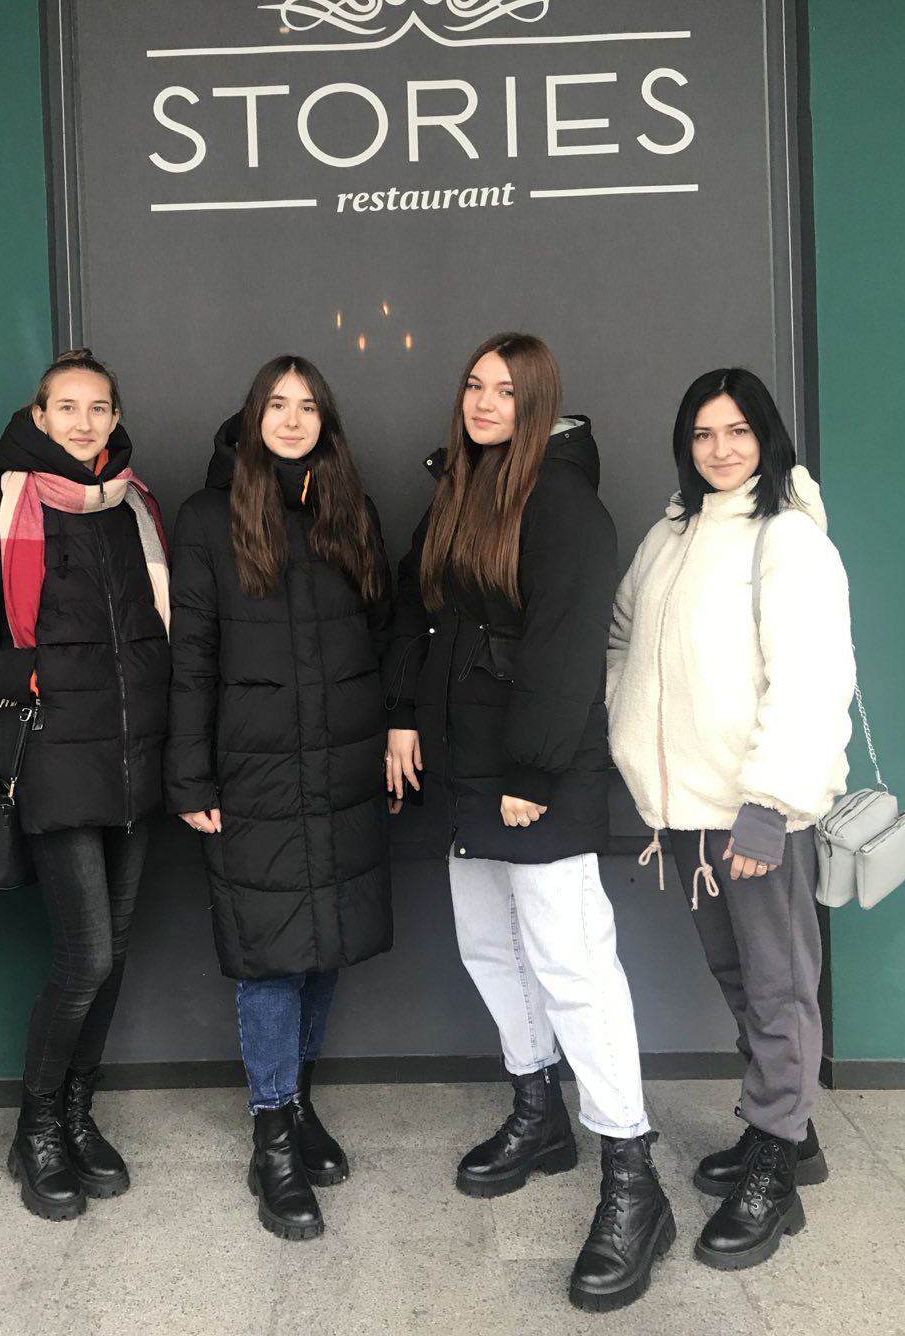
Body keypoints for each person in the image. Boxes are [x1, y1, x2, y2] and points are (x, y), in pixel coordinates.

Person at [384, 333, 672, 1313]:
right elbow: (419, 609)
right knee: (491, 949)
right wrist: (404, 713)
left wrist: (533, 770)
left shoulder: (564, 502)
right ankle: (539, 1109)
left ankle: (633, 1176)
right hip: (467, 768)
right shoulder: (460, 490)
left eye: (506, 391)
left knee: (573, 965)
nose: (484, 401)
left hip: (532, 771)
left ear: (539, 402)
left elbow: (565, 645)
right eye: (475, 385)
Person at [607, 367, 854, 1271]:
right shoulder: (671, 534)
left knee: (780, 985)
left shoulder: (788, 539)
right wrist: (630, 728)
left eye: (738, 431)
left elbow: (813, 681)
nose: (720, 449)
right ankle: (787, 1129)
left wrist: (769, 805)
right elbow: (624, 636)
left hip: (755, 813)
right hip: (686, 812)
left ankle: (776, 1169)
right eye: (704, 433)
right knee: (739, 978)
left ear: (766, 437)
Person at [0, 349, 170, 1222]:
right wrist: (31, 675)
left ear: (114, 417)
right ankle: (36, 1130)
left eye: (99, 408)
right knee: (84, 958)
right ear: (39, 416)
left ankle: (75, 1115)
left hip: (138, 766)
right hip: (57, 765)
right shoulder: (2, 514)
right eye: (67, 407)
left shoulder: (136, 509)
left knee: (116, 956)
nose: (84, 422)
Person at [165, 356, 395, 1242]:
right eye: (276, 404)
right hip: (251, 773)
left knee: (323, 942)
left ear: (326, 421)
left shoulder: (351, 511)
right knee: (270, 954)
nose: (292, 420)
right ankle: (270, 1136)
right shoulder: (205, 517)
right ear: (252, 415)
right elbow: (191, 656)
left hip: (340, 767)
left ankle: (298, 1104)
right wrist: (190, 776)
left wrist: (390, 740)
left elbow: (379, 635)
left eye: (307, 407)